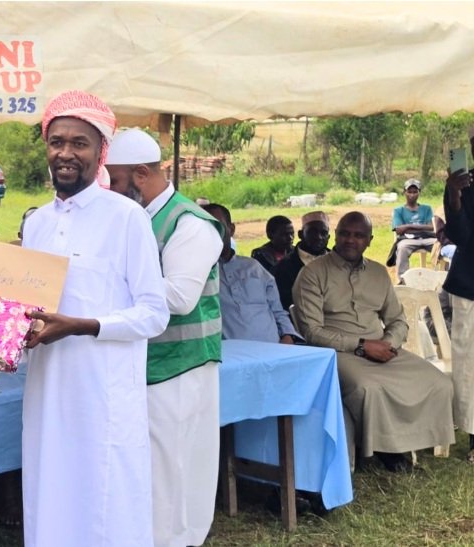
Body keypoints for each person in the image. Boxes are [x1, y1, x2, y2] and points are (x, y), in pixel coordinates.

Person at [20, 91, 169, 547]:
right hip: (47, 389)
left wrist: (84, 325)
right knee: (50, 494)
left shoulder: (126, 218)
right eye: (57, 141)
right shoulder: (38, 222)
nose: (66, 153)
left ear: (101, 152)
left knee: (106, 504)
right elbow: (26, 302)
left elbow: (154, 313)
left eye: (80, 143)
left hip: (103, 394)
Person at [105, 128, 224, 547]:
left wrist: (107, 293)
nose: (110, 191)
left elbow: (179, 295)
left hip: (181, 366)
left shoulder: (188, 223)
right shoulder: (139, 219)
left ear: (141, 174)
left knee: (175, 466)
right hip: (146, 364)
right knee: (154, 467)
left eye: (115, 181)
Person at [292, 212, 454, 472]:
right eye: (345, 233)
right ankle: (386, 449)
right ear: (336, 234)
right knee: (368, 388)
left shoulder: (379, 273)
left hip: (381, 348)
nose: (350, 240)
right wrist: (361, 345)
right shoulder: (312, 274)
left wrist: (388, 343)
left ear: (369, 240)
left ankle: (412, 441)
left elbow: (398, 321)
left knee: (437, 382)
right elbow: (311, 331)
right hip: (337, 351)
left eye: (358, 235)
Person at [205, 204, 300, 344]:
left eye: (217, 226)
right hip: (232, 355)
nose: (212, 232)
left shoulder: (253, 267)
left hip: (275, 349)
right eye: (205, 228)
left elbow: (277, 310)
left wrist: (287, 335)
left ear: (231, 229)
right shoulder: (199, 272)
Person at [444, 158, 474, 460]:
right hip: (471, 286)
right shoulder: (462, 185)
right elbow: (461, 236)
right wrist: (454, 196)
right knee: (470, 365)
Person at [273, 211, 331, 311]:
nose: (319, 237)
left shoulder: (339, 261)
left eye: (324, 233)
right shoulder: (283, 268)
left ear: (329, 237)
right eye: (312, 232)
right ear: (301, 234)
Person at [388, 179, 437, 281]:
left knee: (440, 246)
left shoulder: (426, 209)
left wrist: (407, 227)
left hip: (428, 239)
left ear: (419, 192)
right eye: (409, 192)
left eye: (415, 192)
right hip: (407, 240)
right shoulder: (398, 211)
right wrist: (423, 228)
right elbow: (399, 230)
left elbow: (432, 227)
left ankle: (444, 278)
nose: (412, 195)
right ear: (404, 192)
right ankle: (402, 280)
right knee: (402, 248)